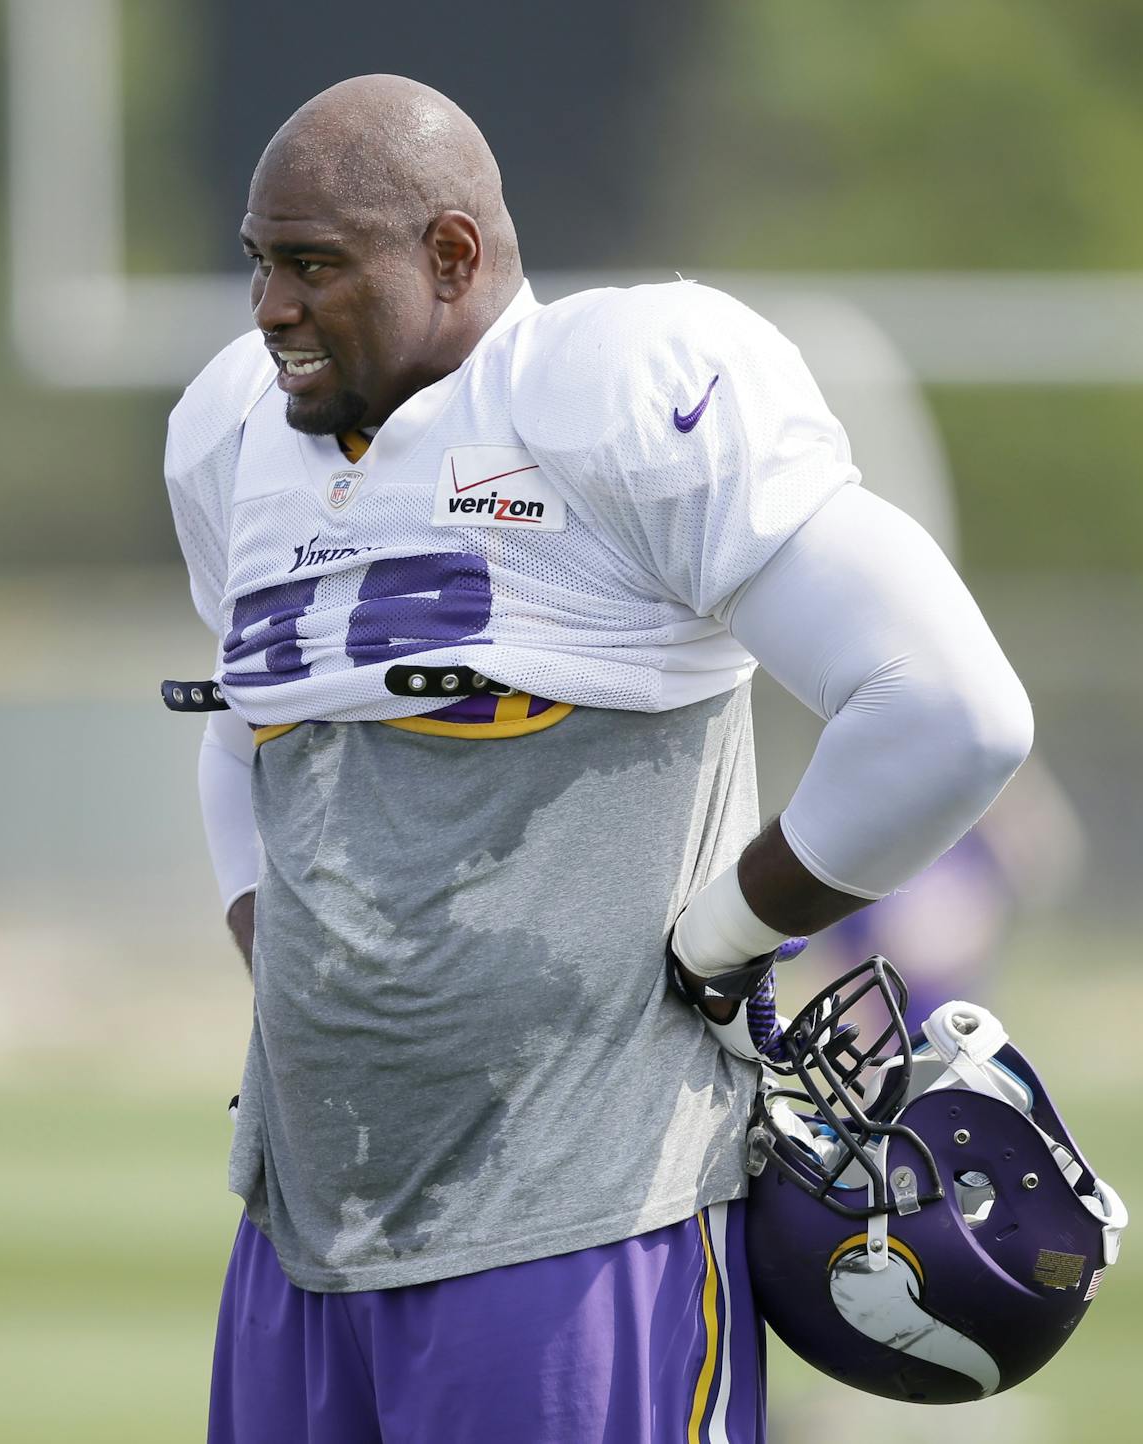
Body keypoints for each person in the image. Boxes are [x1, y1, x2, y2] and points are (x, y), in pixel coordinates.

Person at [164, 75, 1034, 1444]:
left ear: (453, 255)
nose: (269, 305)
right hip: (301, 1227)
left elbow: (948, 709)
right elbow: (250, 723)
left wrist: (729, 934)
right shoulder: (230, 433)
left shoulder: (609, 391)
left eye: (313, 266)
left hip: (579, 1223)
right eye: (260, 261)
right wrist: (281, 962)